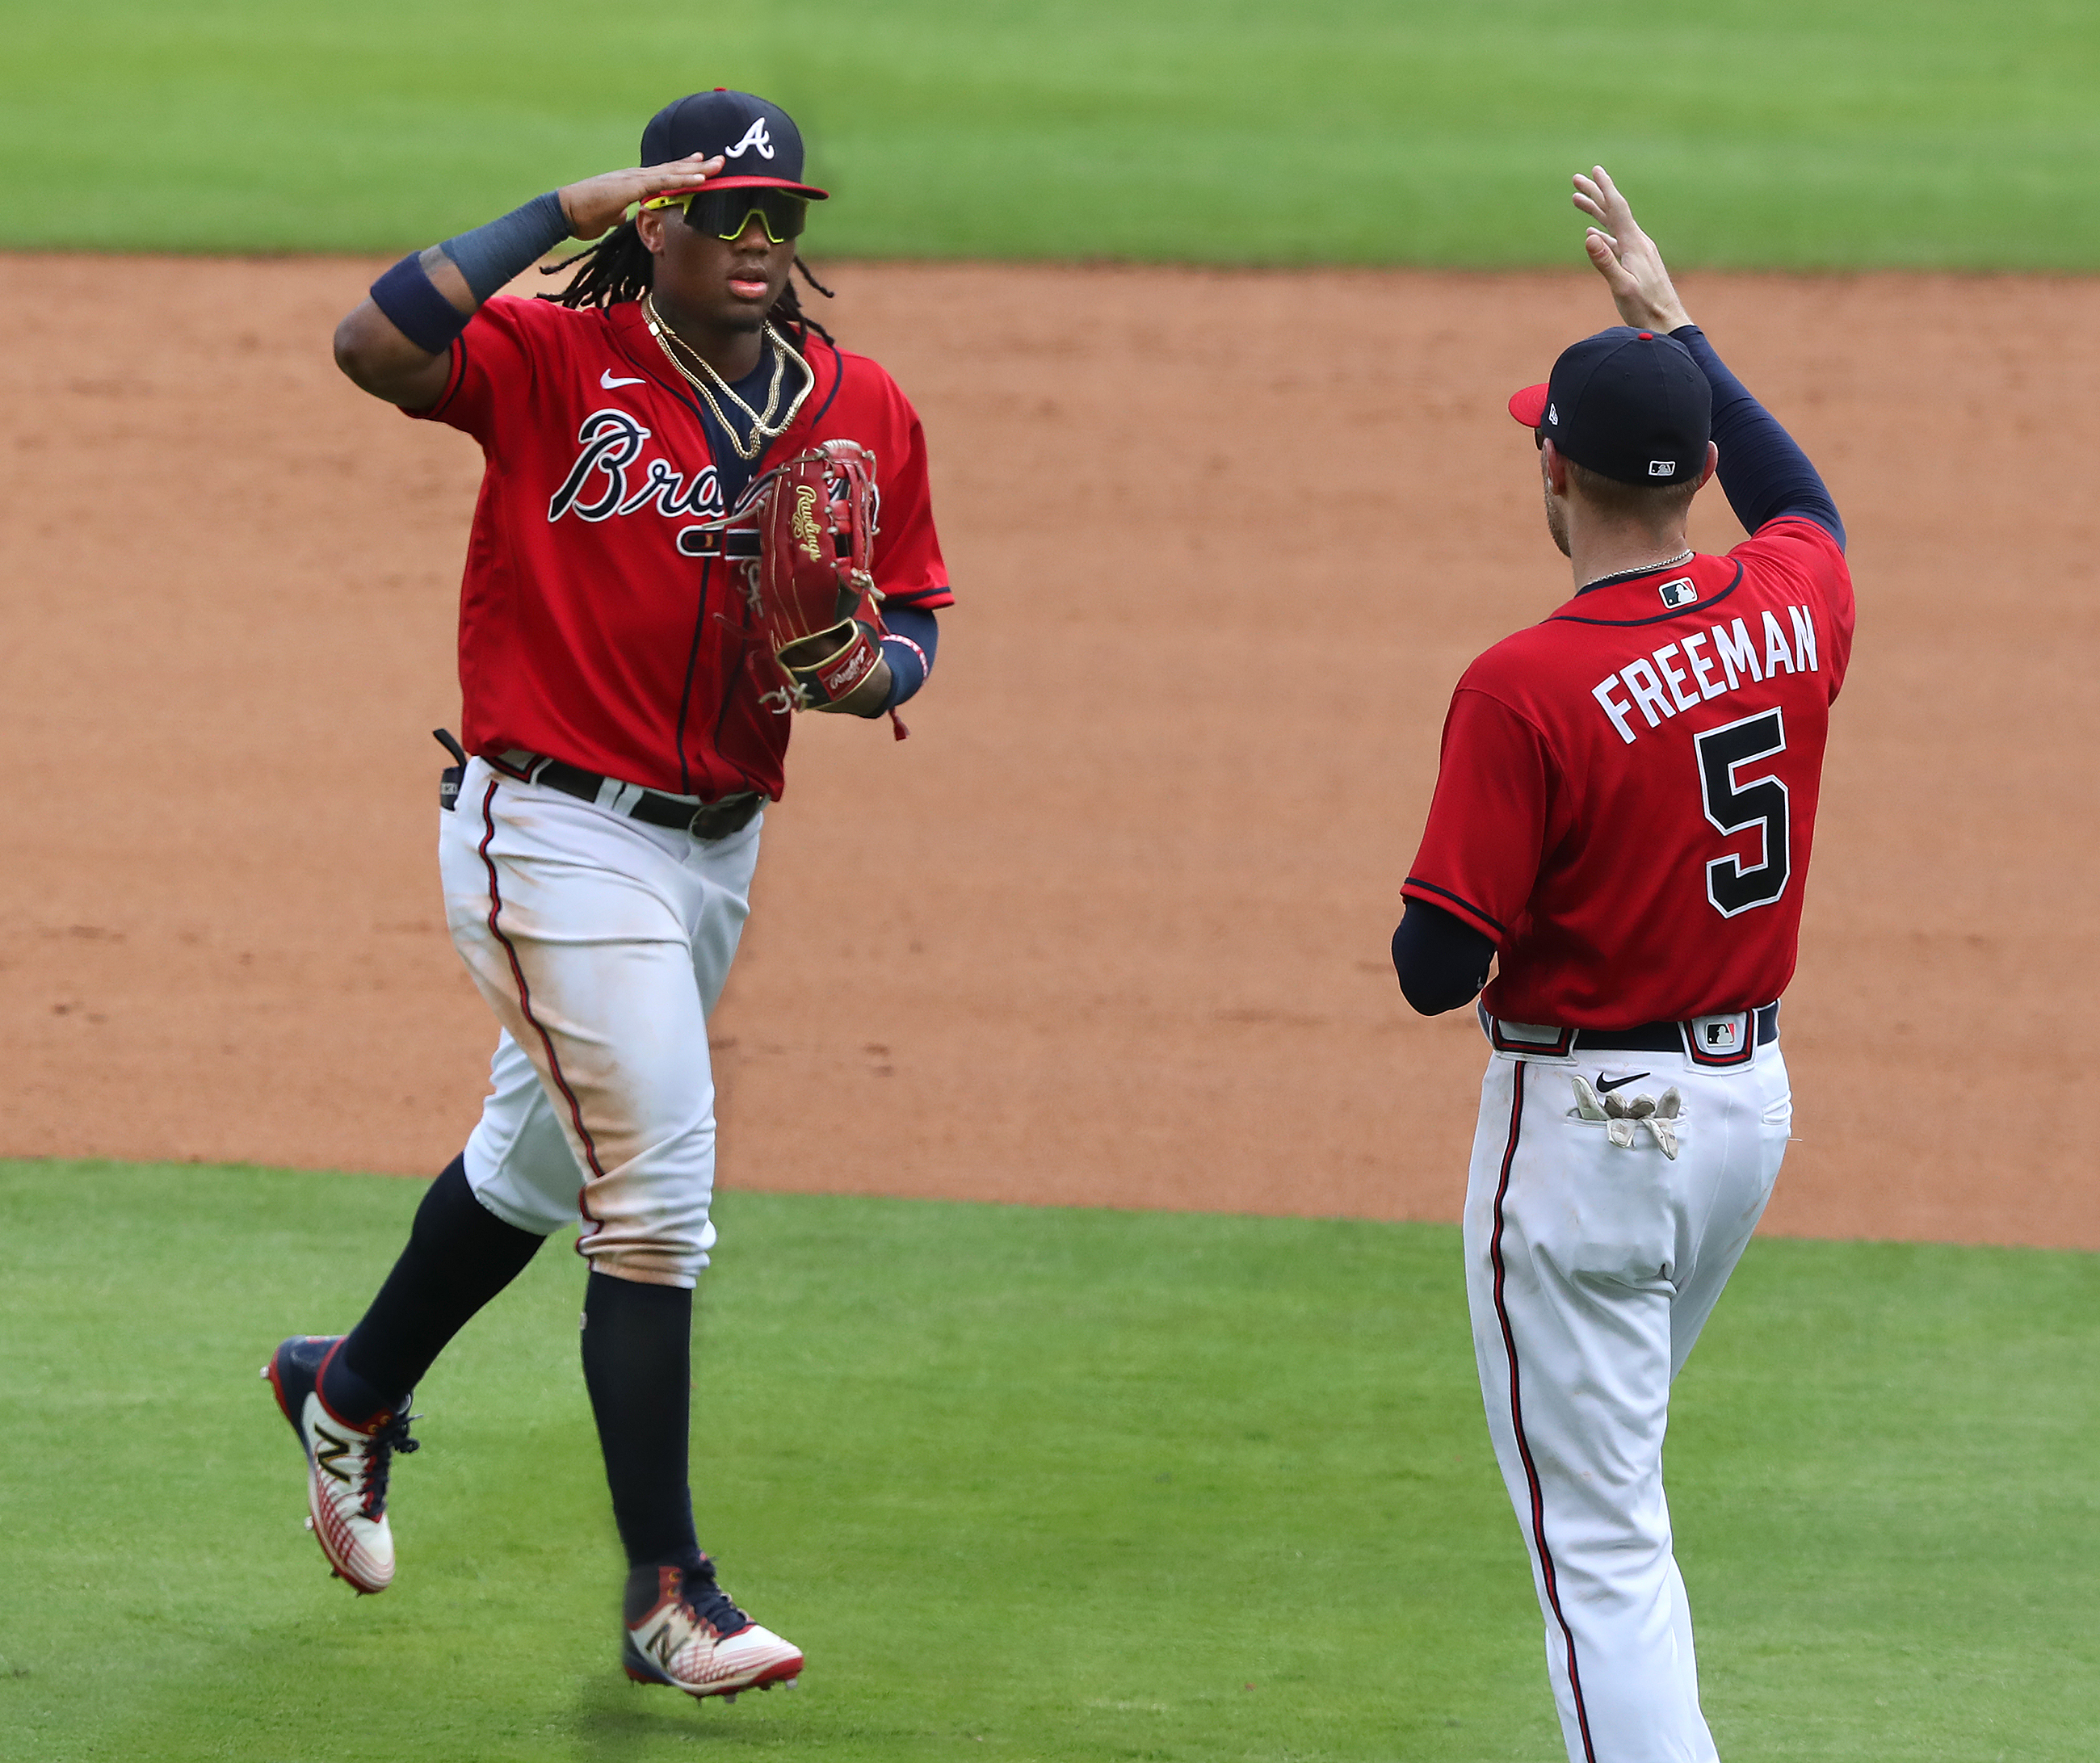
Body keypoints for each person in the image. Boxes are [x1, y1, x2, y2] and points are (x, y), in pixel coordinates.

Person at [262, 89, 951, 1702]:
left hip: (719, 847)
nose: (764, 245)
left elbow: (914, 612)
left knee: (527, 1159)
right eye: (730, 216)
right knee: (652, 1200)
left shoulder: (860, 404)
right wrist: (564, 206)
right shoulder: (552, 362)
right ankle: (669, 1597)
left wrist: (864, 672)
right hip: (548, 835)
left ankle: (346, 1391)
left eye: (784, 218)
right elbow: (373, 345)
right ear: (661, 226)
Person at [1391, 168, 1851, 1761]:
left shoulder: (1524, 687)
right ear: (1696, 474)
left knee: (1598, 1549)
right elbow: (1809, 509)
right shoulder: (1796, 606)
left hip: (1584, 1141)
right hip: (1743, 1122)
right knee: (1616, 1493)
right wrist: (1674, 321)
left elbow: (1434, 966)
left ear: (1551, 470)